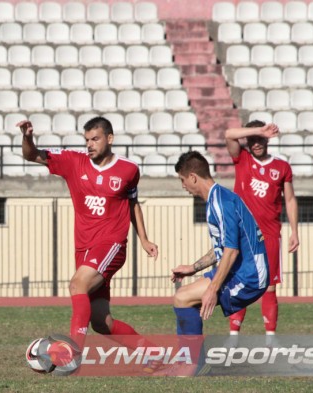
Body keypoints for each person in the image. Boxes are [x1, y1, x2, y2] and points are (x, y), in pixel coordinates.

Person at [17, 116, 159, 348]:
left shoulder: (128, 169)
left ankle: (72, 353)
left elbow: (133, 203)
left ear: (109, 139)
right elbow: (32, 155)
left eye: (95, 139)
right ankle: (154, 355)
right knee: (101, 322)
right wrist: (27, 138)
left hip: (111, 244)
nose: (90, 144)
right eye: (87, 140)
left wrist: (143, 239)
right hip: (83, 248)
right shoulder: (73, 161)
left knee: (77, 285)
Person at [171, 151, 269, 335]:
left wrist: (212, 289)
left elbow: (231, 251)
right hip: (241, 270)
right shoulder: (219, 197)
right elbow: (225, 245)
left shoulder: (220, 203)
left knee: (182, 298)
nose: (183, 186)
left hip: (249, 277)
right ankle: (192, 361)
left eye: (182, 180)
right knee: (184, 296)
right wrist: (194, 267)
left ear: (192, 177)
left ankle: (191, 363)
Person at [225, 121, 299, 340]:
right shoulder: (242, 159)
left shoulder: (282, 167)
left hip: (270, 235)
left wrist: (295, 231)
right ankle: (233, 337)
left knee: (269, 287)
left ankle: (270, 339)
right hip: (243, 234)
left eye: (261, 140)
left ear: (268, 140)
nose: (256, 144)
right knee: (239, 284)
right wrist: (258, 130)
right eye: (253, 140)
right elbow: (229, 134)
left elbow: (291, 199)